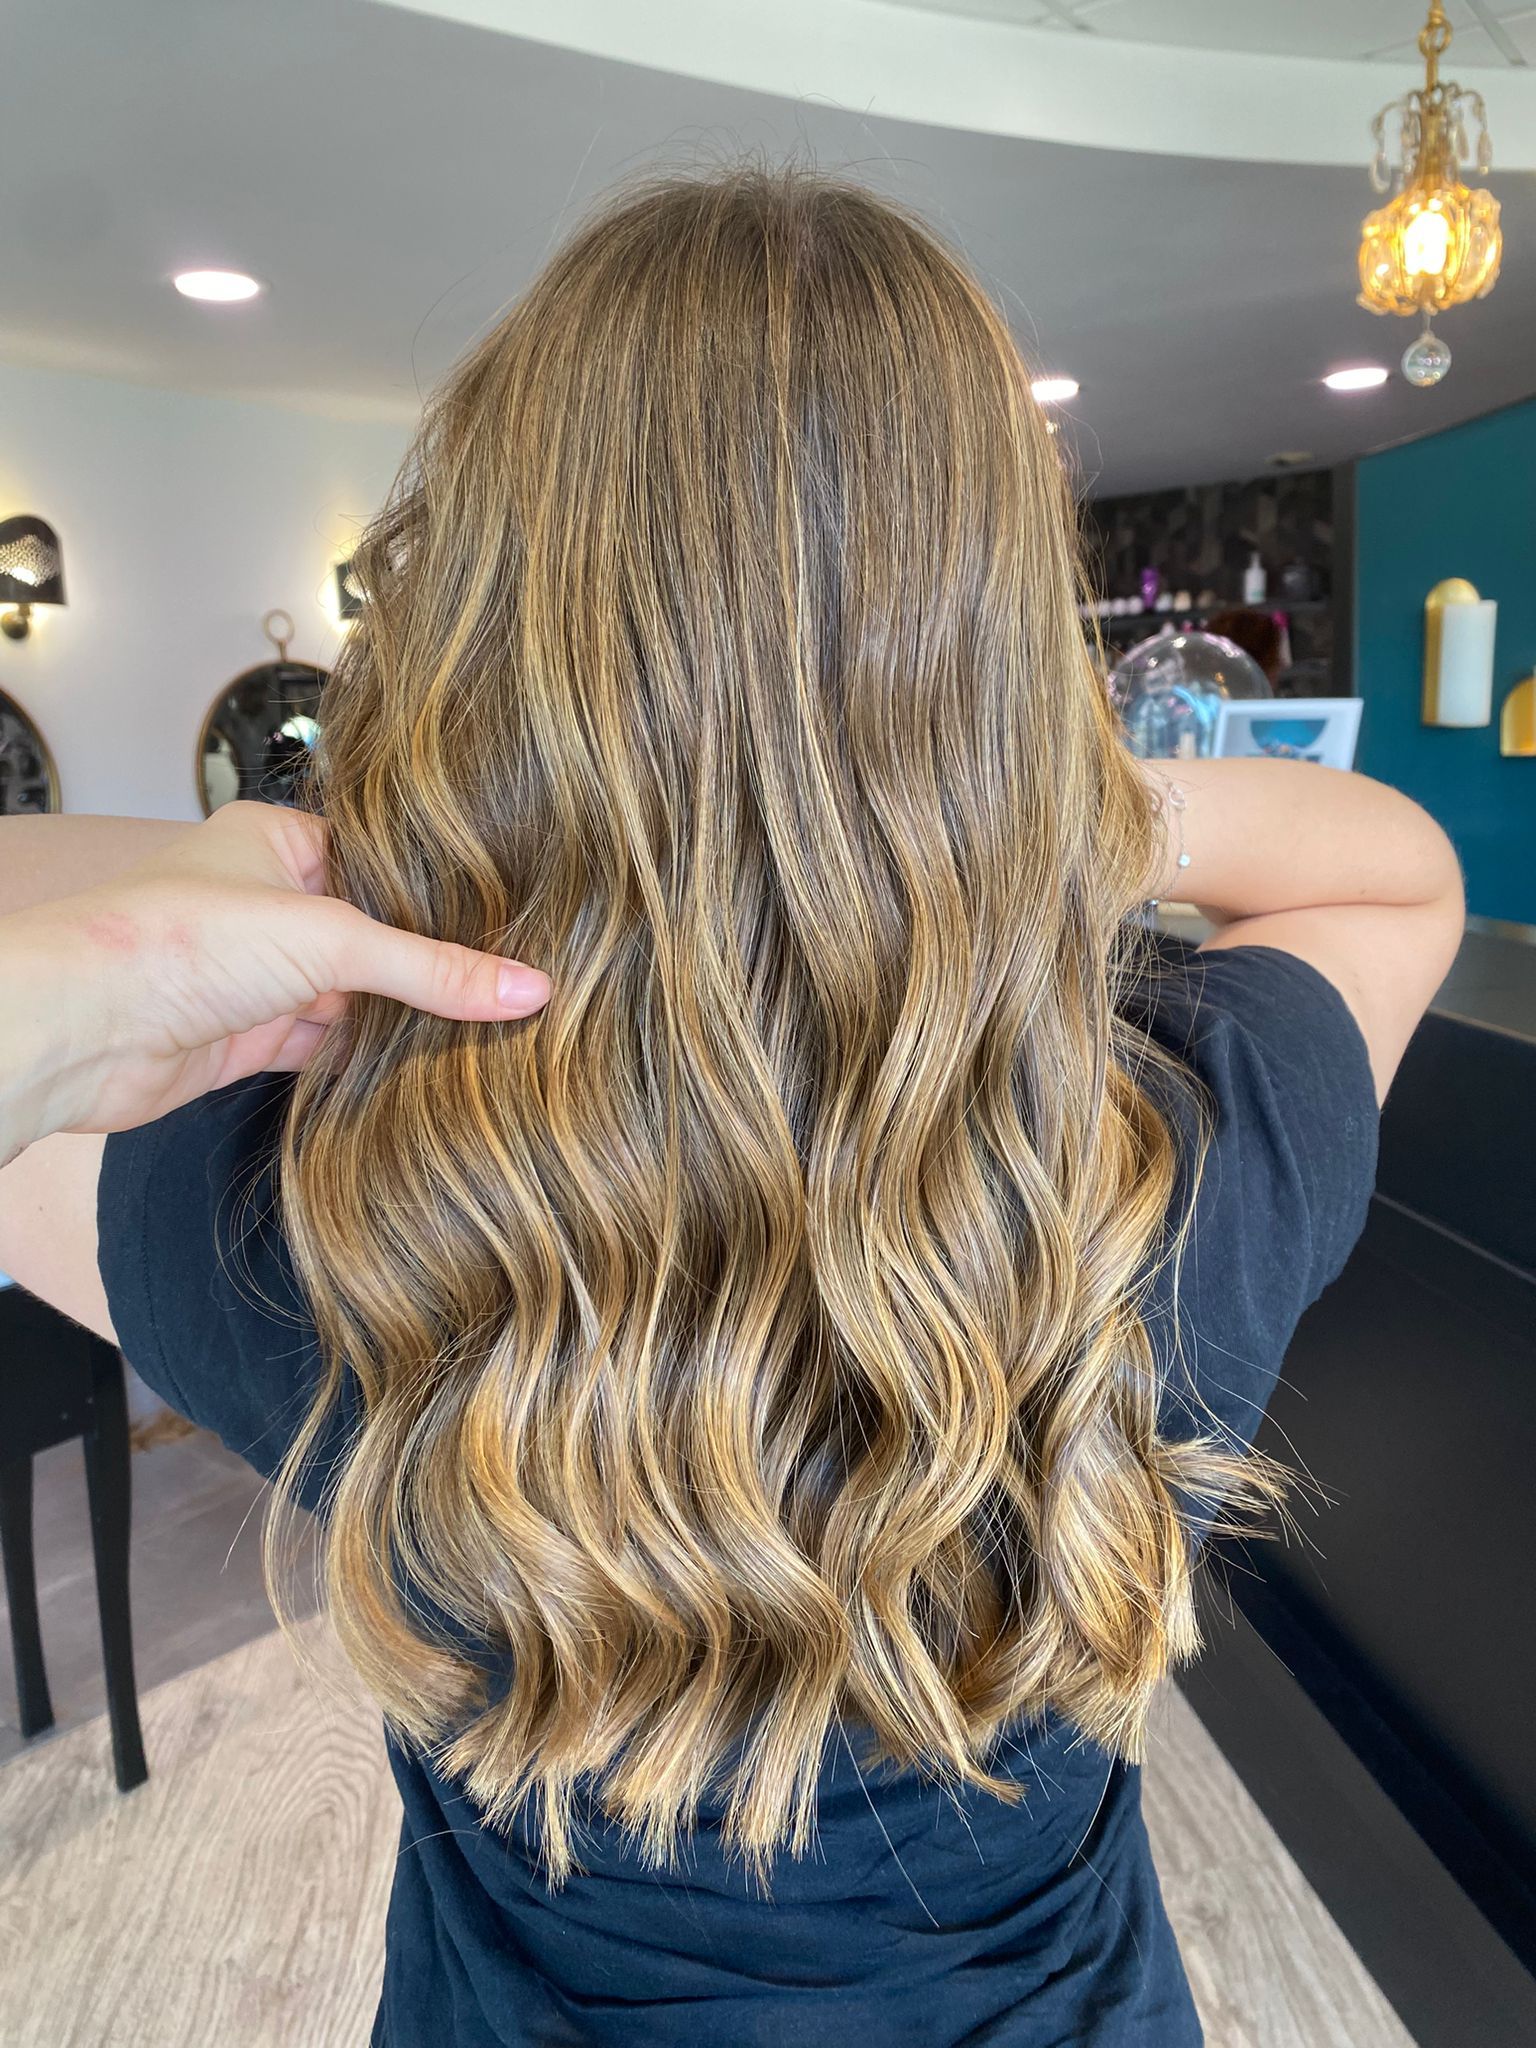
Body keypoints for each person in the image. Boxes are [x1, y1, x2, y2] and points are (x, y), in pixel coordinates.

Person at [0, 169, 1463, 2047]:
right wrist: (1021, 800)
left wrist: (356, 852)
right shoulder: (1170, 1166)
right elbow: (1395, 872)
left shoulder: (323, 1214)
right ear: (1012, 658)